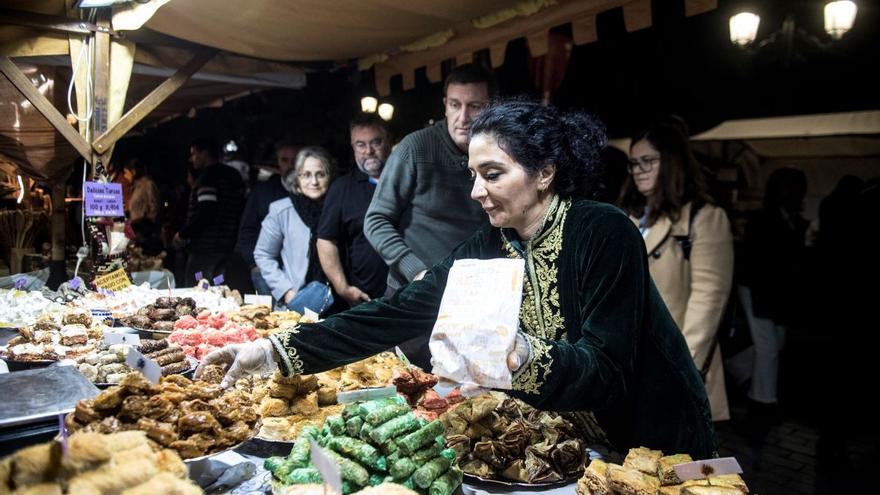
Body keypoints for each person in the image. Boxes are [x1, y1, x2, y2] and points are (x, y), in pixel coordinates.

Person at [200, 100, 716, 459]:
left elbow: (608, 368)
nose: (476, 191)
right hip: (573, 436)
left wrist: (523, 354)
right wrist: (272, 352)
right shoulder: (491, 243)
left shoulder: (603, 230)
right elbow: (395, 313)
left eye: (492, 174)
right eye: (473, 174)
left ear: (544, 173)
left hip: (654, 431)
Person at [364, 63, 495, 366]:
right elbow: (375, 220)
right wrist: (417, 272)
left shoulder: (496, 152)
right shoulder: (416, 148)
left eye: (475, 106)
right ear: (445, 105)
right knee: (411, 393)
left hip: (473, 305)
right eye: (455, 105)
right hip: (415, 300)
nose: (463, 118)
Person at [617, 118, 734, 422]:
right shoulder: (629, 216)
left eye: (648, 161)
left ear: (671, 162)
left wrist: (682, 371)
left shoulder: (704, 218)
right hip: (630, 366)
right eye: (633, 163)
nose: (639, 170)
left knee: (678, 465)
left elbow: (708, 302)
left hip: (674, 368)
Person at [738, 167, 808, 435]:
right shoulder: (763, 219)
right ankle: (762, 404)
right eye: (790, 187)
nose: (794, 192)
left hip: (775, 293)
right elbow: (758, 262)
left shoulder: (791, 219)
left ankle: (738, 369)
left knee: (772, 346)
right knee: (768, 348)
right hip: (758, 289)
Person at [316, 113, 390, 307]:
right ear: (353, 147)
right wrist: (343, 289)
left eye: (375, 142)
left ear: (387, 142)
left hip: (411, 295)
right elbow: (325, 241)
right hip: (366, 299)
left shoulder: (407, 180)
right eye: (360, 145)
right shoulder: (342, 189)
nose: (369, 151)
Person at [254, 147, 336, 314]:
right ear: (296, 177)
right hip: (296, 304)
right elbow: (263, 254)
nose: (314, 182)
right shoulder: (282, 210)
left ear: (330, 176)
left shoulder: (338, 209)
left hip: (338, 304)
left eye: (320, 174)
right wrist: (286, 291)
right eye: (306, 174)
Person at [174, 137, 245, 286]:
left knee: (198, 285)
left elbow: (206, 211)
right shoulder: (233, 175)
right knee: (218, 283)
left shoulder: (208, 178)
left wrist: (183, 234)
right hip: (227, 247)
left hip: (205, 250)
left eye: (194, 154)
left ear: (205, 154)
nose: (191, 159)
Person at [238, 141, 300, 296]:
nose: (291, 165)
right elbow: (247, 230)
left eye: (295, 160)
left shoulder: (312, 191)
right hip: (266, 271)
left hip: (301, 273)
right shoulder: (263, 191)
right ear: (278, 162)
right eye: (285, 160)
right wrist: (254, 265)